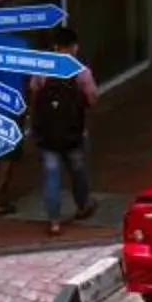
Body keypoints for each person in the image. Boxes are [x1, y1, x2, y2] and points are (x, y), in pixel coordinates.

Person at [26, 26, 99, 238]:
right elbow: (92, 98)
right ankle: (83, 205)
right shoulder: (81, 71)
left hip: (47, 133)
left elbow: (34, 94)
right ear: (75, 47)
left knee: (51, 175)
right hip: (73, 133)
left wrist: (35, 122)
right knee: (78, 170)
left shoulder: (42, 68)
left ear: (55, 46)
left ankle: (54, 221)